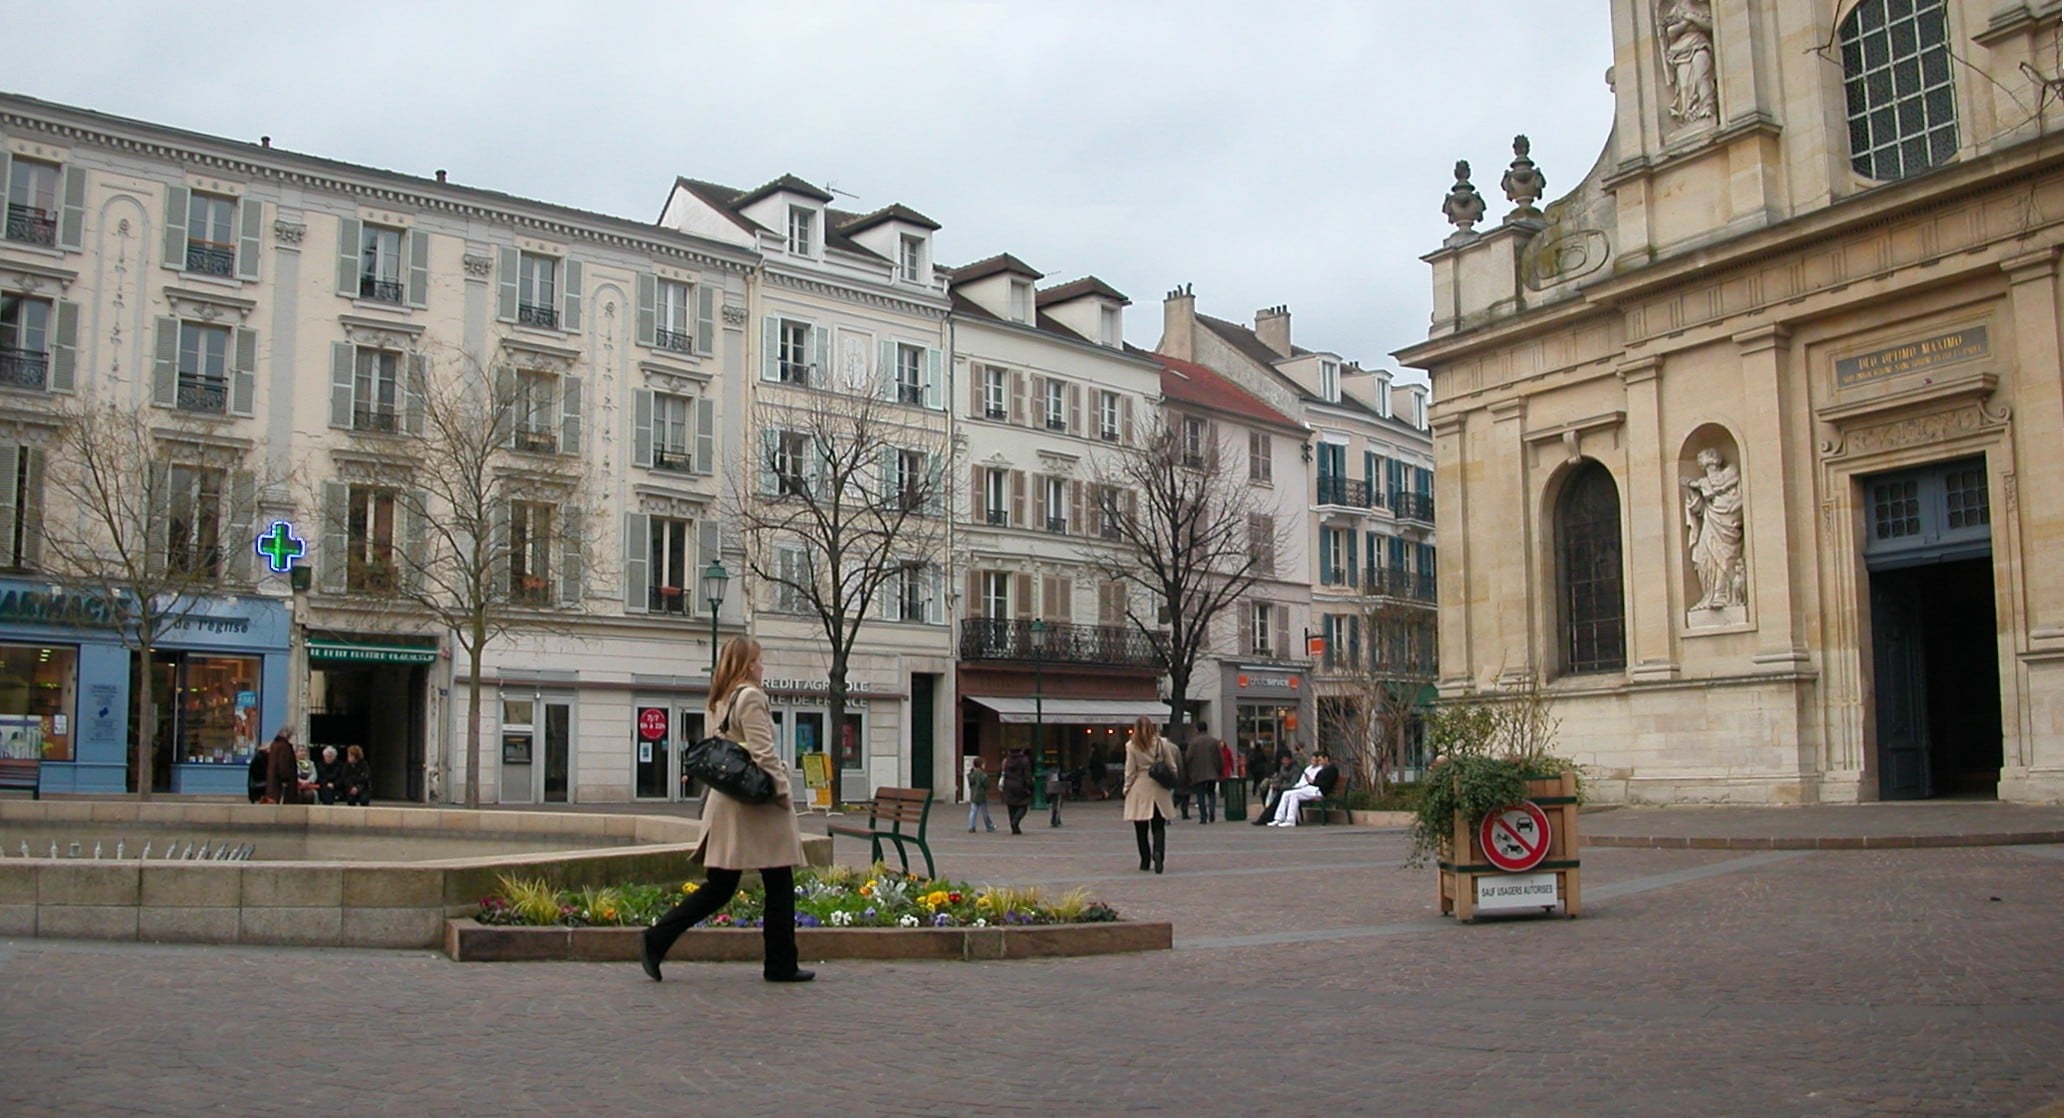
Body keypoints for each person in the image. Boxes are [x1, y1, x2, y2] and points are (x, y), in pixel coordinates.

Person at [641, 636, 814, 984]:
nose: (763, 667)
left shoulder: (720, 698)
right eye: (759, 661)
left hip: (726, 802)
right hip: (755, 806)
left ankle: (657, 939)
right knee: (778, 881)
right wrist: (784, 794)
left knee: (721, 886)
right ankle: (780, 964)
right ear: (748, 664)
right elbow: (763, 753)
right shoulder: (750, 697)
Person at [1122, 716, 1181, 874]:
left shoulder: (1131, 746)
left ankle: (1145, 860)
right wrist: (1171, 780)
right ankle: (1159, 852)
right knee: (1158, 826)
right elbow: (1171, 765)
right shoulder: (1162, 743)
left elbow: (1130, 771)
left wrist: (1126, 789)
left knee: (1140, 828)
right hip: (1158, 788)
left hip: (1139, 787)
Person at [1268, 751, 1342, 827]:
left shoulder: (1331, 770)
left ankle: (1290, 820)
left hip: (1319, 791)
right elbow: (1317, 781)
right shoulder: (1323, 769)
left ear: (1326, 759)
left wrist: (1313, 782)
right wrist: (1311, 782)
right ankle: (1278, 818)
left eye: (1320, 760)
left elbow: (1325, 784)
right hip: (1313, 789)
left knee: (1294, 794)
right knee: (1286, 794)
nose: (1319, 763)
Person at [1184, 720, 1226, 824]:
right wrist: (1219, 769)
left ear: (1197, 729)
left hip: (1197, 773)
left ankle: (1203, 816)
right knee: (1211, 793)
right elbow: (1220, 758)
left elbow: (1188, 757)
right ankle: (1212, 811)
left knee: (1200, 795)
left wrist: (1189, 771)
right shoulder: (1214, 741)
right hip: (1212, 772)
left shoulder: (1193, 742)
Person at [1250, 754, 1302, 825]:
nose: (1284, 762)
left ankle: (1265, 818)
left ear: (1290, 760)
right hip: (1283, 788)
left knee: (1280, 794)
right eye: (1283, 760)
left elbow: (1293, 784)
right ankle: (1269, 814)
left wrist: (1279, 786)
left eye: (1286, 760)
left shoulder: (1296, 769)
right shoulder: (1282, 768)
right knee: (1266, 790)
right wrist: (1274, 783)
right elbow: (1279, 779)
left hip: (1293, 789)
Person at [262, 727, 303, 805]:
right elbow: (283, 764)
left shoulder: (274, 744)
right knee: (284, 802)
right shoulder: (284, 747)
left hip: (274, 779)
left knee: (273, 799)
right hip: (281, 781)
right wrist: (285, 779)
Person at [1000, 748, 1033, 835]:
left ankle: (1014, 827)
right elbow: (1027, 775)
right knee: (1023, 806)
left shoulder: (1007, 761)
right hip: (1020, 785)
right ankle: (1015, 822)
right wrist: (1029, 786)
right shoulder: (1024, 761)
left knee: (1011, 807)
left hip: (1008, 785)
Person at [964, 755, 995, 834]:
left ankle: (971, 826)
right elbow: (986, 784)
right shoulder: (982, 774)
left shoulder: (972, 774)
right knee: (985, 813)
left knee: (973, 811)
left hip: (974, 795)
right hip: (981, 795)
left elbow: (970, 783)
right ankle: (989, 826)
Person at [1045, 763, 1067, 828]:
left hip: (1050, 790)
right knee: (1057, 806)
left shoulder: (1048, 772)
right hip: (1057, 790)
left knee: (1055, 806)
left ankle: (1056, 819)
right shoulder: (1058, 773)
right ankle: (1055, 820)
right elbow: (1063, 778)